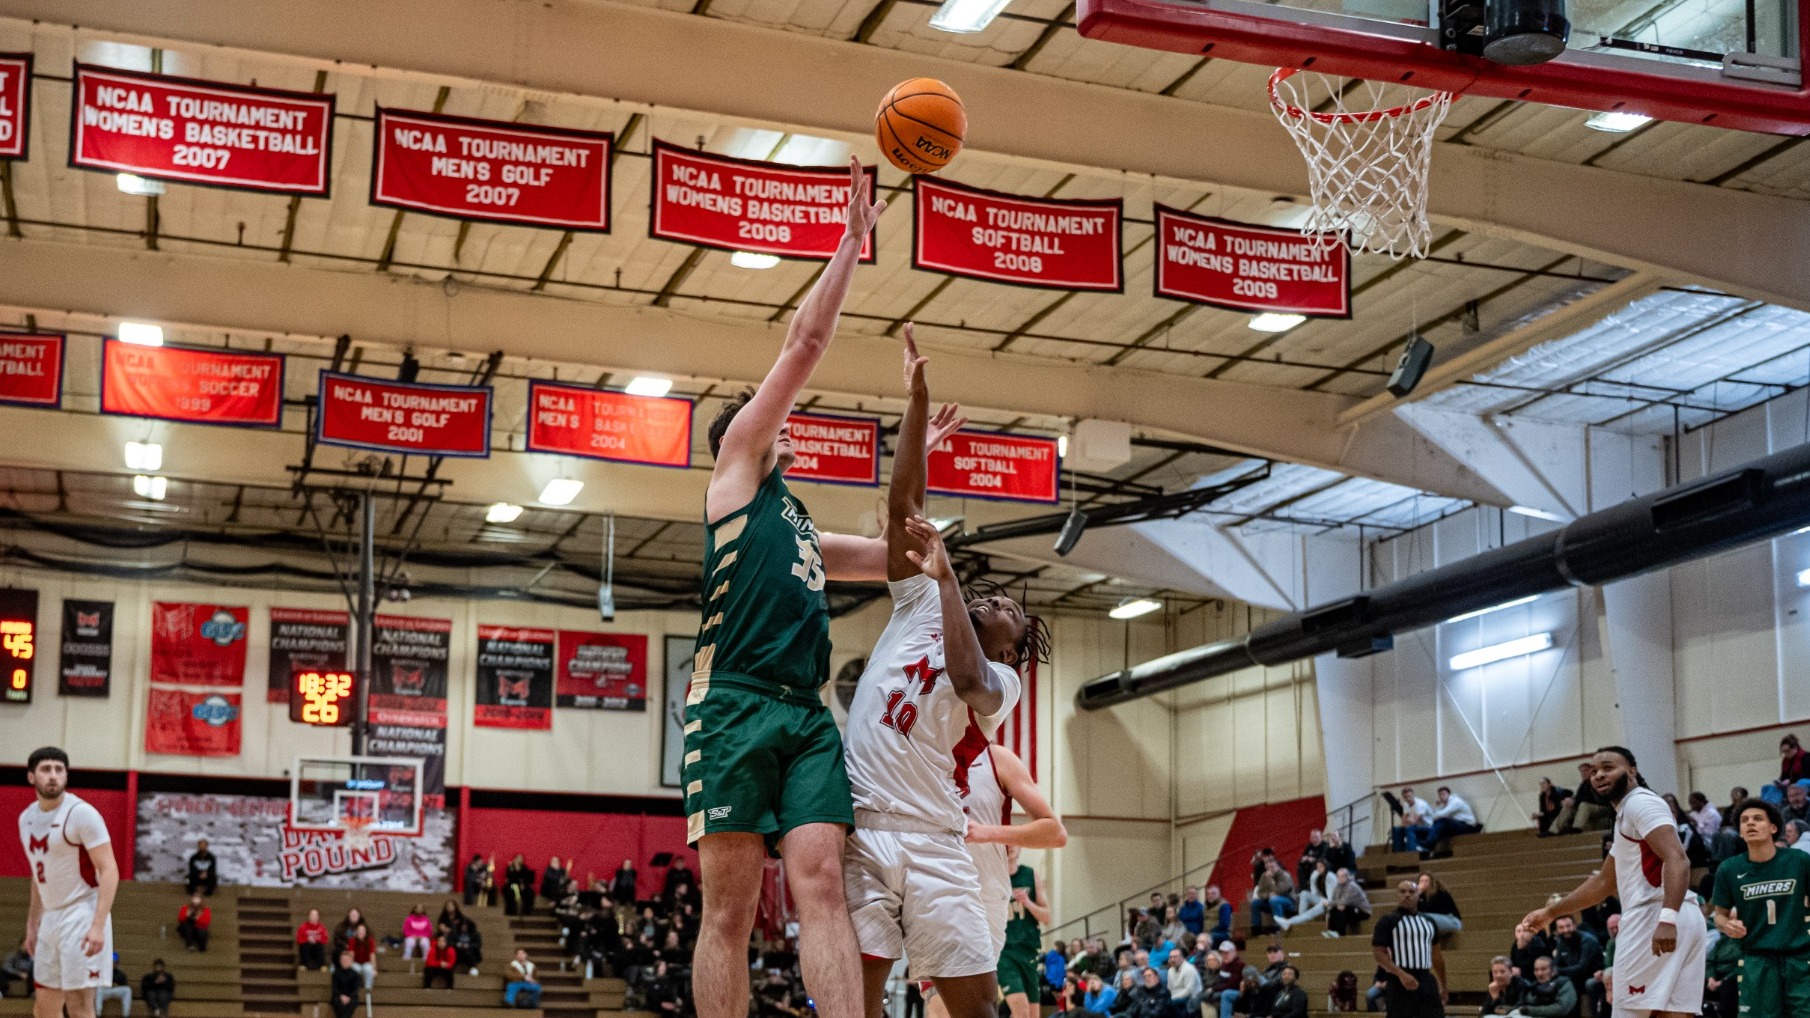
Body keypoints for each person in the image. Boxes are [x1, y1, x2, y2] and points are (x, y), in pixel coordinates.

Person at [685, 158, 887, 1018]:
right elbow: (805, 344)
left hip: (805, 713)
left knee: (824, 890)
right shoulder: (736, 471)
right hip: (731, 705)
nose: (786, 420)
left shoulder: (796, 523)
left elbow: (885, 557)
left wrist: (919, 461)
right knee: (729, 912)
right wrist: (847, 243)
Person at [843, 330, 1041, 1018]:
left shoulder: (1001, 683)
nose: (999, 600)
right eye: (996, 595)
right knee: (853, 1002)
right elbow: (902, 512)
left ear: (1014, 650)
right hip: (863, 826)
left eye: (1010, 610)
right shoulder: (922, 599)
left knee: (978, 1007)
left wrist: (952, 575)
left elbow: (966, 679)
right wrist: (916, 402)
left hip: (934, 838)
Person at [1518, 746, 1705, 1018]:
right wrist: (1550, 913)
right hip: (1677, 916)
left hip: (1654, 916)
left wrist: (1667, 919)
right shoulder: (1627, 814)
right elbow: (1604, 883)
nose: (1598, 775)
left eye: (1608, 768)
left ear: (1632, 771)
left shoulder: (1640, 803)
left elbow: (1678, 859)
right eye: (1593, 771)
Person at [925, 739, 1064, 1018]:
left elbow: (1055, 833)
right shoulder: (924, 750)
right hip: (933, 894)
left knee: (1006, 1011)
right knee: (939, 1006)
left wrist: (987, 832)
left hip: (988, 901)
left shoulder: (997, 758)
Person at [18, 746, 120, 1018]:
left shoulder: (81, 813)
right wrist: (32, 924)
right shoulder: (26, 818)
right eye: (45, 769)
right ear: (31, 777)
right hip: (51, 917)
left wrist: (98, 925)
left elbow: (109, 869)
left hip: (81, 913)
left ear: (66, 775)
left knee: (78, 1006)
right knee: (44, 1007)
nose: (53, 776)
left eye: (59, 769)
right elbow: (39, 875)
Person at [1710, 798, 1810, 1017]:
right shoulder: (1729, 869)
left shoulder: (1800, 861)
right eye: (1744, 821)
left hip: (1800, 959)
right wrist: (1727, 925)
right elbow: (1718, 915)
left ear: (1773, 828)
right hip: (1756, 959)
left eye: (1757, 819)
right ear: (1740, 833)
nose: (1750, 824)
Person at [1371, 879, 1445, 1017]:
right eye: (1403, 891)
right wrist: (1401, 974)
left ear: (1418, 895)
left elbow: (1437, 956)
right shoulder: (1387, 921)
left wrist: (1444, 986)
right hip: (1398, 981)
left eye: (1412, 891)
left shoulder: (1429, 922)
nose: (1407, 894)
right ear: (1397, 895)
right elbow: (1379, 954)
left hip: (1426, 979)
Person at [1551, 762, 1614, 835]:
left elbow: (1594, 798)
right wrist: (1570, 801)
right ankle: (1554, 830)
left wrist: (1575, 802)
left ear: (1591, 771)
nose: (1583, 773)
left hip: (1602, 806)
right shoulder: (1583, 784)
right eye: (1581, 771)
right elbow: (1579, 797)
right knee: (1568, 807)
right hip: (1590, 807)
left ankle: (1577, 828)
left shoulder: (1597, 781)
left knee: (1584, 805)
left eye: (1585, 770)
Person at [1277, 859, 1332, 934]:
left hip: (1332, 902)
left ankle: (1289, 922)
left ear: (1326, 867)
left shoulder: (1330, 876)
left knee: (1310, 913)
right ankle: (1300, 919)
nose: (1319, 869)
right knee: (1304, 893)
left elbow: (1332, 896)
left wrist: (1328, 907)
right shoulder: (1316, 875)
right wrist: (1313, 878)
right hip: (1322, 899)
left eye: (1321, 867)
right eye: (1317, 867)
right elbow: (1314, 892)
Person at [1250, 858, 1296, 934]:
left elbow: (1283, 890)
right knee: (1254, 902)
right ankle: (1256, 929)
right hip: (1270, 901)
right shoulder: (1264, 876)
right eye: (1268, 868)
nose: (1270, 869)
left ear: (1278, 867)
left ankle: (1279, 927)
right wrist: (1268, 895)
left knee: (1274, 899)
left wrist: (1271, 880)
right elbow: (1260, 892)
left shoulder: (1285, 875)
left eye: (1272, 867)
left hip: (1288, 902)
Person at [1414, 873, 1461, 942]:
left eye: (1426, 881)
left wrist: (1417, 893)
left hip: (1452, 921)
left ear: (1432, 882)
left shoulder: (1439, 893)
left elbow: (1428, 910)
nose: (1423, 883)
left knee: (1421, 917)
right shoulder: (1421, 897)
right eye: (1421, 881)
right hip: (1435, 921)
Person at [1327, 868, 1373, 938]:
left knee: (1342, 909)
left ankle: (1340, 933)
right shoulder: (1338, 886)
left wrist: (1331, 903)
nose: (1340, 878)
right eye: (1338, 876)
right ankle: (1331, 931)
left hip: (1362, 911)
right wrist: (1335, 904)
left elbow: (1345, 901)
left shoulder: (1352, 886)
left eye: (1342, 876)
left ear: (1347, 876)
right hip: (1349, 908)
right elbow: (1335, 899)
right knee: (1333, 910)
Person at [1767, 733, 1810, 805]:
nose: (1785, 754)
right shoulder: (1786, 761)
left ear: (1795, 748)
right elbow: (1783, 777)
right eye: (1783, 752)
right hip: (1791, 783)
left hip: (1804, 782)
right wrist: (1780, 782)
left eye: (1787, 751)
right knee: (1769, 788)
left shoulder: (1806, 757)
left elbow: (1807, 775)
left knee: (1801, 782)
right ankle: (1770, 807)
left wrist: (1790, 781)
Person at [1162, 949, 1200, 1018]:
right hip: (1176, 997)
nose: (1172, 959)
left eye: (1175, 957)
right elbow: (1169, 988)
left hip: (1191, 998)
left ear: (1182, 958)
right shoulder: (1170, 970)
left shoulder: (1189, 969)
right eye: (1170, 957)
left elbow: (1188, 991)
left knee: (1170, 1004)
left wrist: (1172, 998)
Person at [330, 950, 362, 1018]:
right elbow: (334, 988)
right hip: (338, 996)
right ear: (340, 960)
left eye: (346, 960)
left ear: (351, 961)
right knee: (336, 1000)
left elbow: (355, 989)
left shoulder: (355, 974)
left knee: (353, 1001)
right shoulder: (336, 973)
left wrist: (348, 997)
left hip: (351, 997)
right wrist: (341, 996)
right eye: (343, 959)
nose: (344, 961)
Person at [346, 922, 376, 989]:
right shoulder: (352, 940)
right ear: (356, 932)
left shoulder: (370, 940)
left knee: (368, 969)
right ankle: (354, 988)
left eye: (363, 930)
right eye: (359, 930)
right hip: (355, 962)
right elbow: (351, 954)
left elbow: (372, 955)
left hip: (366, 963)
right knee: (354, 969)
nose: (361, 932)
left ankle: (368, 989)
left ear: (366, 932)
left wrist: (374, 969)